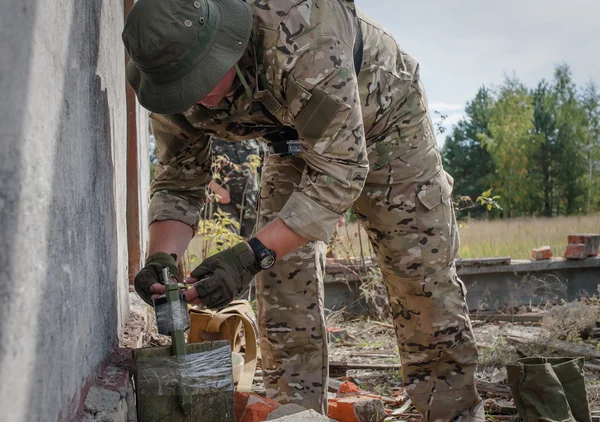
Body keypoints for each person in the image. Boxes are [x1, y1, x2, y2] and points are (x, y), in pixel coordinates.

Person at [123, 0, 484, 420]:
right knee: (282, 290)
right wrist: (163, 257)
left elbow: (342, 170)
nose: (195, 98)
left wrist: (248, 255)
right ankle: (294, 414)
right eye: (180, 87)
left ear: (226, 43)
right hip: (291, 141)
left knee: (420, 278)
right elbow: (179, 179)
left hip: (386, 122)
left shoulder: (300, 31)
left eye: (200, 78)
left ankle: (451, 412)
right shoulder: (168, 80)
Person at [208, 138, 264, 239]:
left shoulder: (253, 139)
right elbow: (199, 172)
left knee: (252, 244)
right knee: (228, 241)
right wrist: (217, 189)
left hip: (252, 204)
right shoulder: (212, 141)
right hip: (225, 204)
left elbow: (266, 165)